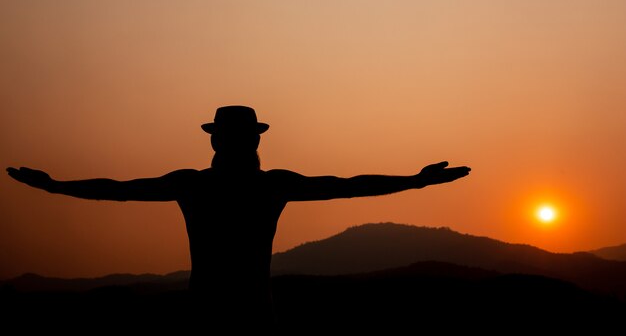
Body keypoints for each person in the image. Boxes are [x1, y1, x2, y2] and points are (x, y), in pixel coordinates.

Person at [7, 105, 471, 330]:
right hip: (244, 316)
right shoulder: (258, 184)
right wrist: (413, 181)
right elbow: (346, 184)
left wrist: (414, 180)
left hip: (220, 315)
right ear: (246, 141)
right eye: (239, 136)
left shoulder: (203, 184)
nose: (239, 143)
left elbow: (346, 184)